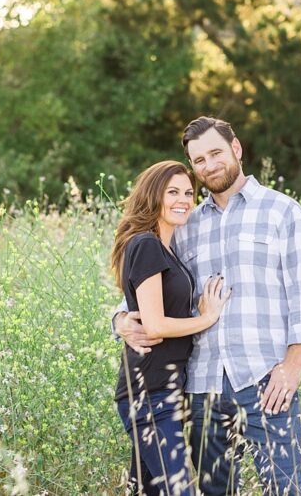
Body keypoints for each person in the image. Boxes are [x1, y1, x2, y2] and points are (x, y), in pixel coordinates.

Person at [115, 117, 301, 495]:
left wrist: (292, 368)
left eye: (215, 153)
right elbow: (149, 281)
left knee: (282, 488)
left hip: (265, 380)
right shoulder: (186, 224)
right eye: (198, 160)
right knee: (216, 490)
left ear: (236, 149)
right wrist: (119, 319)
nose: (208, 165)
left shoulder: (282, 212)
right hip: (203, 387)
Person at [111, 160, 232, 496]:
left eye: (189, 193)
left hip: (164, 390)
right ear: (154, 196)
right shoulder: (147, 244)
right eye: (173, 192)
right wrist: (207, 318)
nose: (183, 199)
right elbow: (154, 324)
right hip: (150, 393)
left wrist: (118, 320)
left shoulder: (165, 248)